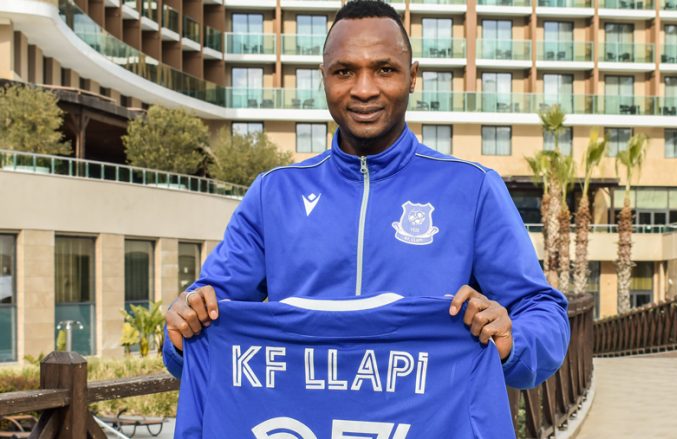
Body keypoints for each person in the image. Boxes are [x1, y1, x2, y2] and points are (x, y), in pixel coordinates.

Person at [163, 0, 569, 390]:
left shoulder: (473, 188)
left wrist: (514, 341)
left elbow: (543, 313)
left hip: (431, 422)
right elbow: (204, 315)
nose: (363, 89)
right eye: (344, 72)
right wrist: (182, 329)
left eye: (384, 69)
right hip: (306, 420)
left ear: (413, 76)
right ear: (323, 77)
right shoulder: (274, 194)